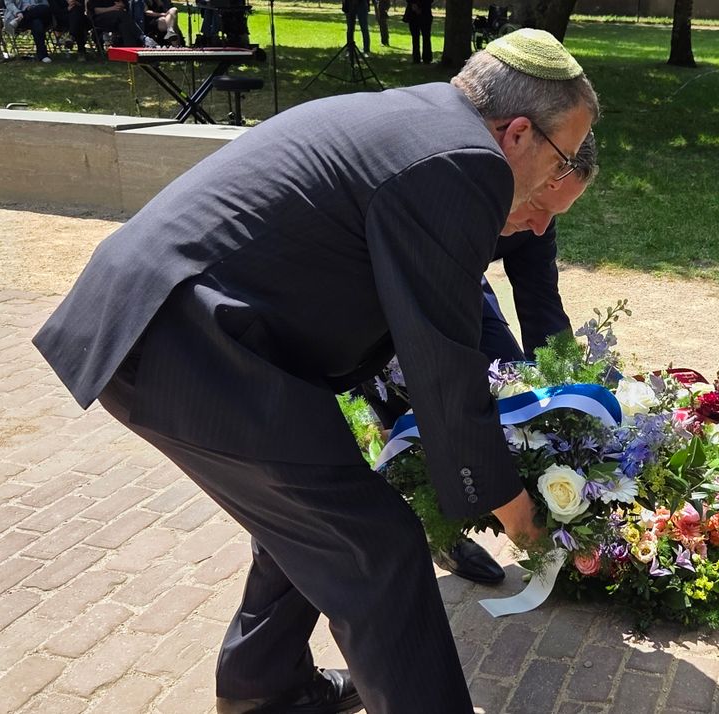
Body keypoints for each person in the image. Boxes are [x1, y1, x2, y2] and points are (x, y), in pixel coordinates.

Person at [32, 28, 597, 714]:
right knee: (377, 549)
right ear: (516, 133)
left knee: (313, 520)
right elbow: (440, 361)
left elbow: (428, 324)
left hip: (187, 328)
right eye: (561, 158)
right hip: (192, 339)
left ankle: (263, 691)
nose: (552, 182)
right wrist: (515, 510)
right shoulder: (465, 160)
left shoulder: (424, 124)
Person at [362, 134, 598, 585]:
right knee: (414, 416)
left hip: (462, 289)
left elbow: (541, 302)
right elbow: (437, 368)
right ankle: (437, 527)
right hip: (379, 296)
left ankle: (544, 523)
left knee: (513, 401)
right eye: (541, 208)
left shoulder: (536, 214)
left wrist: (569, 390)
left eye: (558, 214)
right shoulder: (447, 196)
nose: (543, 228)